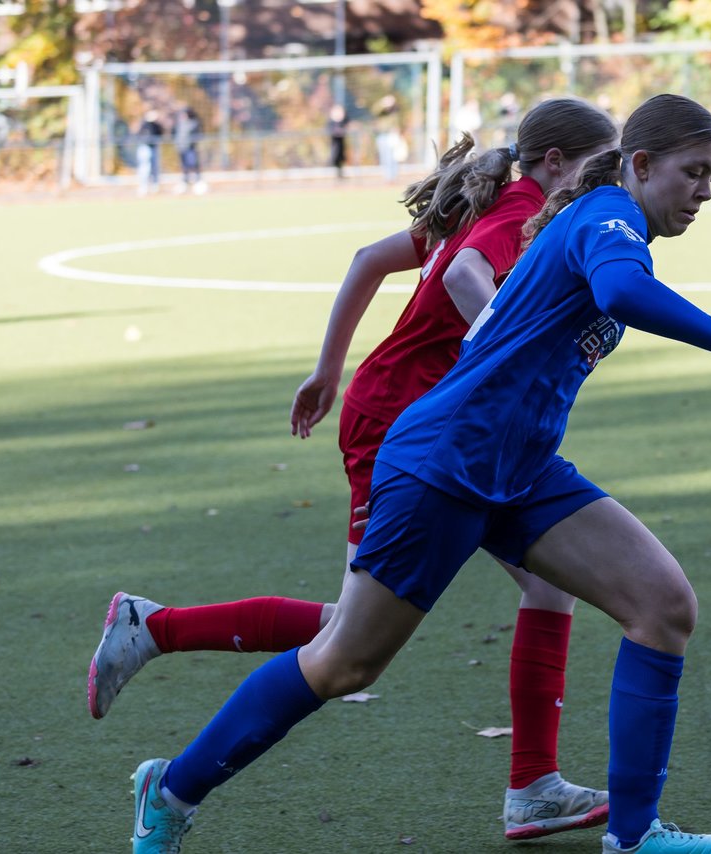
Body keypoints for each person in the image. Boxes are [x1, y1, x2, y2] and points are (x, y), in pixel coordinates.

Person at [122, 93, 711, 854]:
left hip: (520, 466)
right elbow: (617, 292)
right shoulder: (611, 220)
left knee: (664, 606)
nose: (706, 191)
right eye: (695, 173)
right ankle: (172, 789)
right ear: (640, 166)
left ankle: (634, 836)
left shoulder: (603, 219)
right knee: (346, 660)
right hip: (447, 462)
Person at [91, 97, 622, 847]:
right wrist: (507, 341)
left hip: (452, 430)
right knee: (348, 643)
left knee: (545, 584)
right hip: (408, 429)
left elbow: (368, 260)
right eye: (603, 164)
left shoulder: (504, 201)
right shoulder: (520, 210)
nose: (612, 182)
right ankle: (157, 636)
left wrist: (327, 369)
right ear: (558, 163)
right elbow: (471, 275)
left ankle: (533, 786)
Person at [173, 105, 207, 195]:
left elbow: (199, 134)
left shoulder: (194, 123)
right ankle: (185, 181)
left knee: (193, 164)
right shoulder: (180, 123)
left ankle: (198, 181)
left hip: (190, 148)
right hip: (181, 148)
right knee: (184, 166)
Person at [135, 109, 164, 196]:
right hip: (145, 147)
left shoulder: (156, 125)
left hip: (154, 147)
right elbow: (139, 134)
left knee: (155, 168)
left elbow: (161, 132)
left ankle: (155, 185)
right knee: (144, 168)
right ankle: (143, 186)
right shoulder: (144, 124)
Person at [327, 104, 348, 179]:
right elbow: (330, 129)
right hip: (335, 144)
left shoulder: (343, 121)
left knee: (341, 158)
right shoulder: (331, 122)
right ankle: (337, 173)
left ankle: (340, 173)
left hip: (341, 143)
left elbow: (347, 124)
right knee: (335, 157)